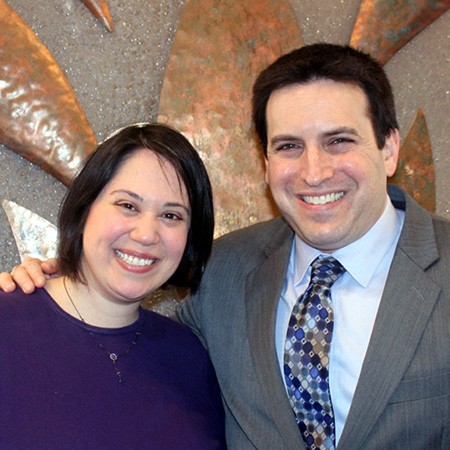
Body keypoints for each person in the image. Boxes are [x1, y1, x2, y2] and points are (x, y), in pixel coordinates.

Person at [2, 43, 449, 450]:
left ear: (388, 148)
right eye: (289, 146)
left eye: (338, 141)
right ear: (266, 163)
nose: (314, 172)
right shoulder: (224, 272)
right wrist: (46, 287)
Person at [0, 123, 226, 448]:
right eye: (128, 206)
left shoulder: (189, 356)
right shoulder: (8, 323)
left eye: (171, 216)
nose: (146, 234)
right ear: (85, 209)